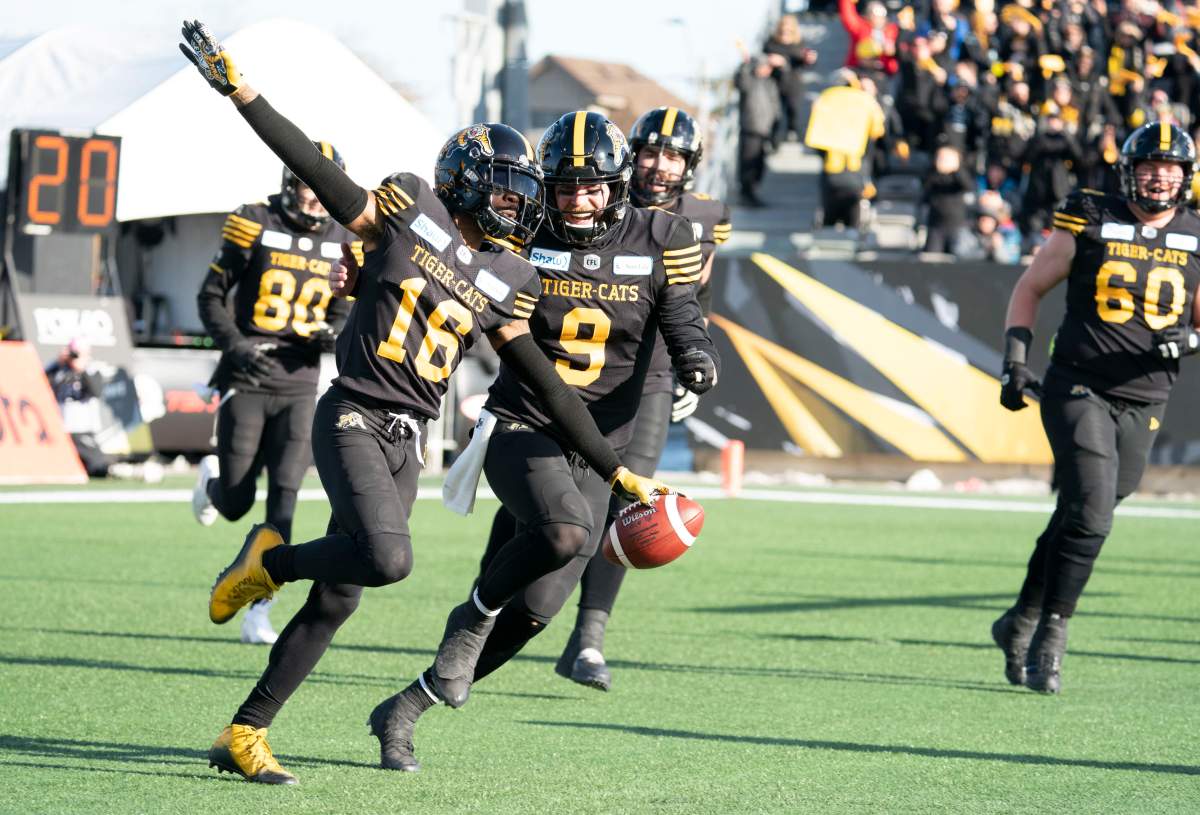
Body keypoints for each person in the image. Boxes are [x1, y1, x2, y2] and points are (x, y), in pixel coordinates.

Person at [179, 21, 669, 785]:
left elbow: (546, 382)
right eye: (508, 186)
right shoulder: (409, 210)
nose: (518, 202)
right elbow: (314, 165)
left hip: (408, 436)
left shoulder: (510, 276)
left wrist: (616, 471)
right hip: (352, 411)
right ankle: (271, 561)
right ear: (468, 178)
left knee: (341, 595)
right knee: (389, 557)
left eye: (523, 191)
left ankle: (244, 731)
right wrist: (243, 92)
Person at [366, 110, 719, 772]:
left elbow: (681, 315)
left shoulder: (665, 234)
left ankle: (405, 707)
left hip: (600, 442)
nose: (578, 200)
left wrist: (698, 356)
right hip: (524, 422)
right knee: (562, 531)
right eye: (564, 188)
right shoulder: (522, 238)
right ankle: (470, 615)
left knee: (539, 606)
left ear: (616, 186)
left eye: (592, 188)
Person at [994, 121, 1200, 694]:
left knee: (1084, 512)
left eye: (1172, 168)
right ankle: (1051, 635)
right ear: (1128, 171)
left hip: (1147, 393)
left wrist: (1188, 339)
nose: (1160, 176)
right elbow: (1031, 286)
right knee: (1092, 515)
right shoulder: (1091, 215)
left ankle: (1019, 618)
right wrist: (1015, 359)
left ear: (1186, 177)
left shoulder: (1194, 232)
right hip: (1078, 384)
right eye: (1151, 165)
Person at [550, 105, 731, 690]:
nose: (659, 165)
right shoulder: (593, 200)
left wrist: (689, 360)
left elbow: (694, 300)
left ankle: (588, 640)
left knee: (630, 502)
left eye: (674, 154)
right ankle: (494, 605)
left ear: (691, 164)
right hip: (573, 366)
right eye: (650, 152)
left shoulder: (704, 219)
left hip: (648, 372)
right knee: (545, 502)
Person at [192, 140, 356, 645]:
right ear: (291, 182)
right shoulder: (255, 221)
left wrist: (332, 329)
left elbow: (346, 302)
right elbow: (211, 294)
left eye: (322, 187)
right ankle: (212, 481)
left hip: (301, 379)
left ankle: (259, 609)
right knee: (238, 501)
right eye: (309, 185)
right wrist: (235, 346)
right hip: (249, 374)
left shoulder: (345, 236)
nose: (315, 198)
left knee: (284, 496)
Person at [44, 338, 108, 477]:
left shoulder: (92, 368)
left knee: (98, 468)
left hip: (83, 428)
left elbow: (97, 391)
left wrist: (81, 369)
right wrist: (58, 362)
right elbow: (40, 381)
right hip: (60, 428)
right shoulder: (59, 369)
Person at [734, 53, 785, 208]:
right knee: (748, 164)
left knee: (759, 165)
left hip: (766, 130)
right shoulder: (749, 81)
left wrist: (776, 129)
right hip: (751, 128)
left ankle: (753, 192)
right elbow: (740, 80)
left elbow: (776, 106)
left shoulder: (770, 83)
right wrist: (745, 65)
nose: (766, 69)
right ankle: (747, 194)